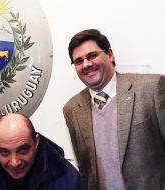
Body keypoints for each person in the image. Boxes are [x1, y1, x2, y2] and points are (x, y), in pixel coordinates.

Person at [63, 29, 165, 189]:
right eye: (78, 61)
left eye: (92, 56)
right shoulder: (72, 109)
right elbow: (85, 170)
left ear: (109, 54)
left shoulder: (152, 89)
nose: (86, 65)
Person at [0, 113, 84, 190]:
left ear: (36, 142)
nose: (15, 162)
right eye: (5, 152)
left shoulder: (66, 178)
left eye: (23, 150)